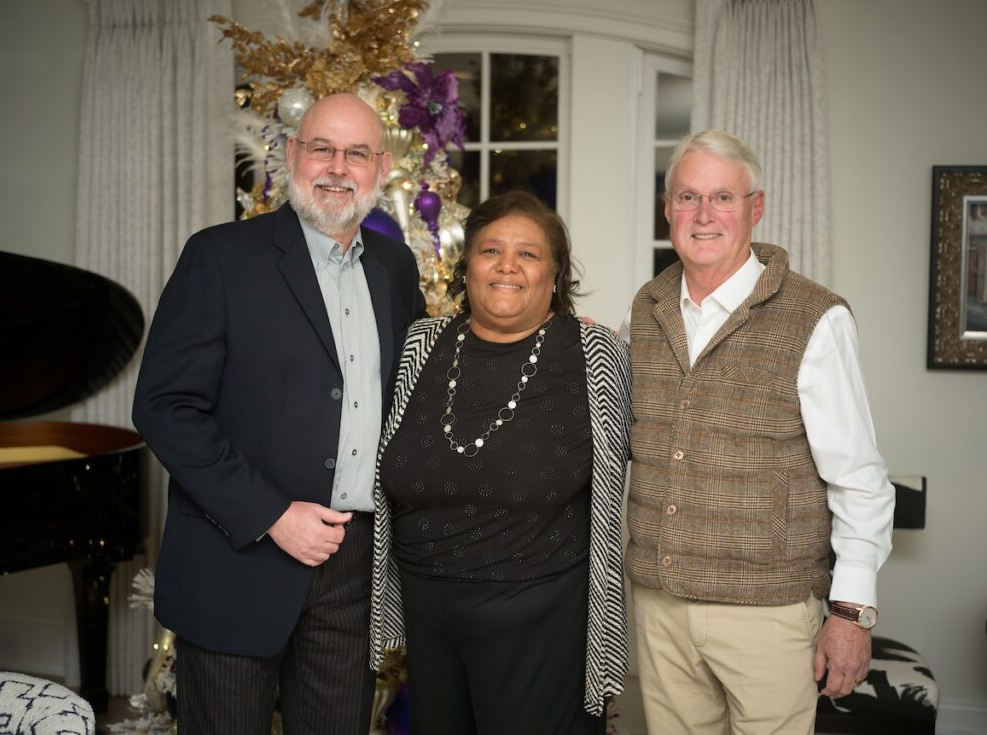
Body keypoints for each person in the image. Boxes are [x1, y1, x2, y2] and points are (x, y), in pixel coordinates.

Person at [132, 92, 426, 735]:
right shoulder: (221, 257)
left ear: (380, 167)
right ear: (292, 155)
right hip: (240, 561)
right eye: (321, 147)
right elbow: (163, 406)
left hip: (353, 564)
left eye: (355, 153)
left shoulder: (396, 269)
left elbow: (418, 391)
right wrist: (270, 515)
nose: (336, 167)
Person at [626, 129, 896, 735]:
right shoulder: (644, 310)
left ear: (756, 207)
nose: (702, 215)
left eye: (722, 197)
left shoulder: (814, 317)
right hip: (659, 608)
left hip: (767, 615)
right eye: (687, 197)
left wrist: (852, 612)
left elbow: (859, 479)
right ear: (667, 208)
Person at [368, 190, 632, 734]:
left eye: (530, 254)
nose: (508, 265)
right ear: (466, 269)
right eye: (491, 251)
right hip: (429, 614)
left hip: (542, 619)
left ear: (555, 275)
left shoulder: (592, 353)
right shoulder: (422, 344)